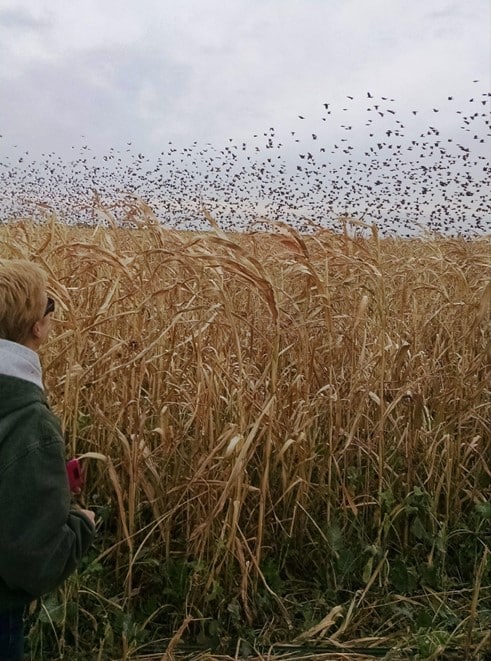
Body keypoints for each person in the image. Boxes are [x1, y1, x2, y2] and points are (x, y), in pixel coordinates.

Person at [0, 259, 95, 661]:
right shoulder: (28, 421)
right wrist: (81, 526)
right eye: (49, 306)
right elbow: (32, 560)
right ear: (37, 326)